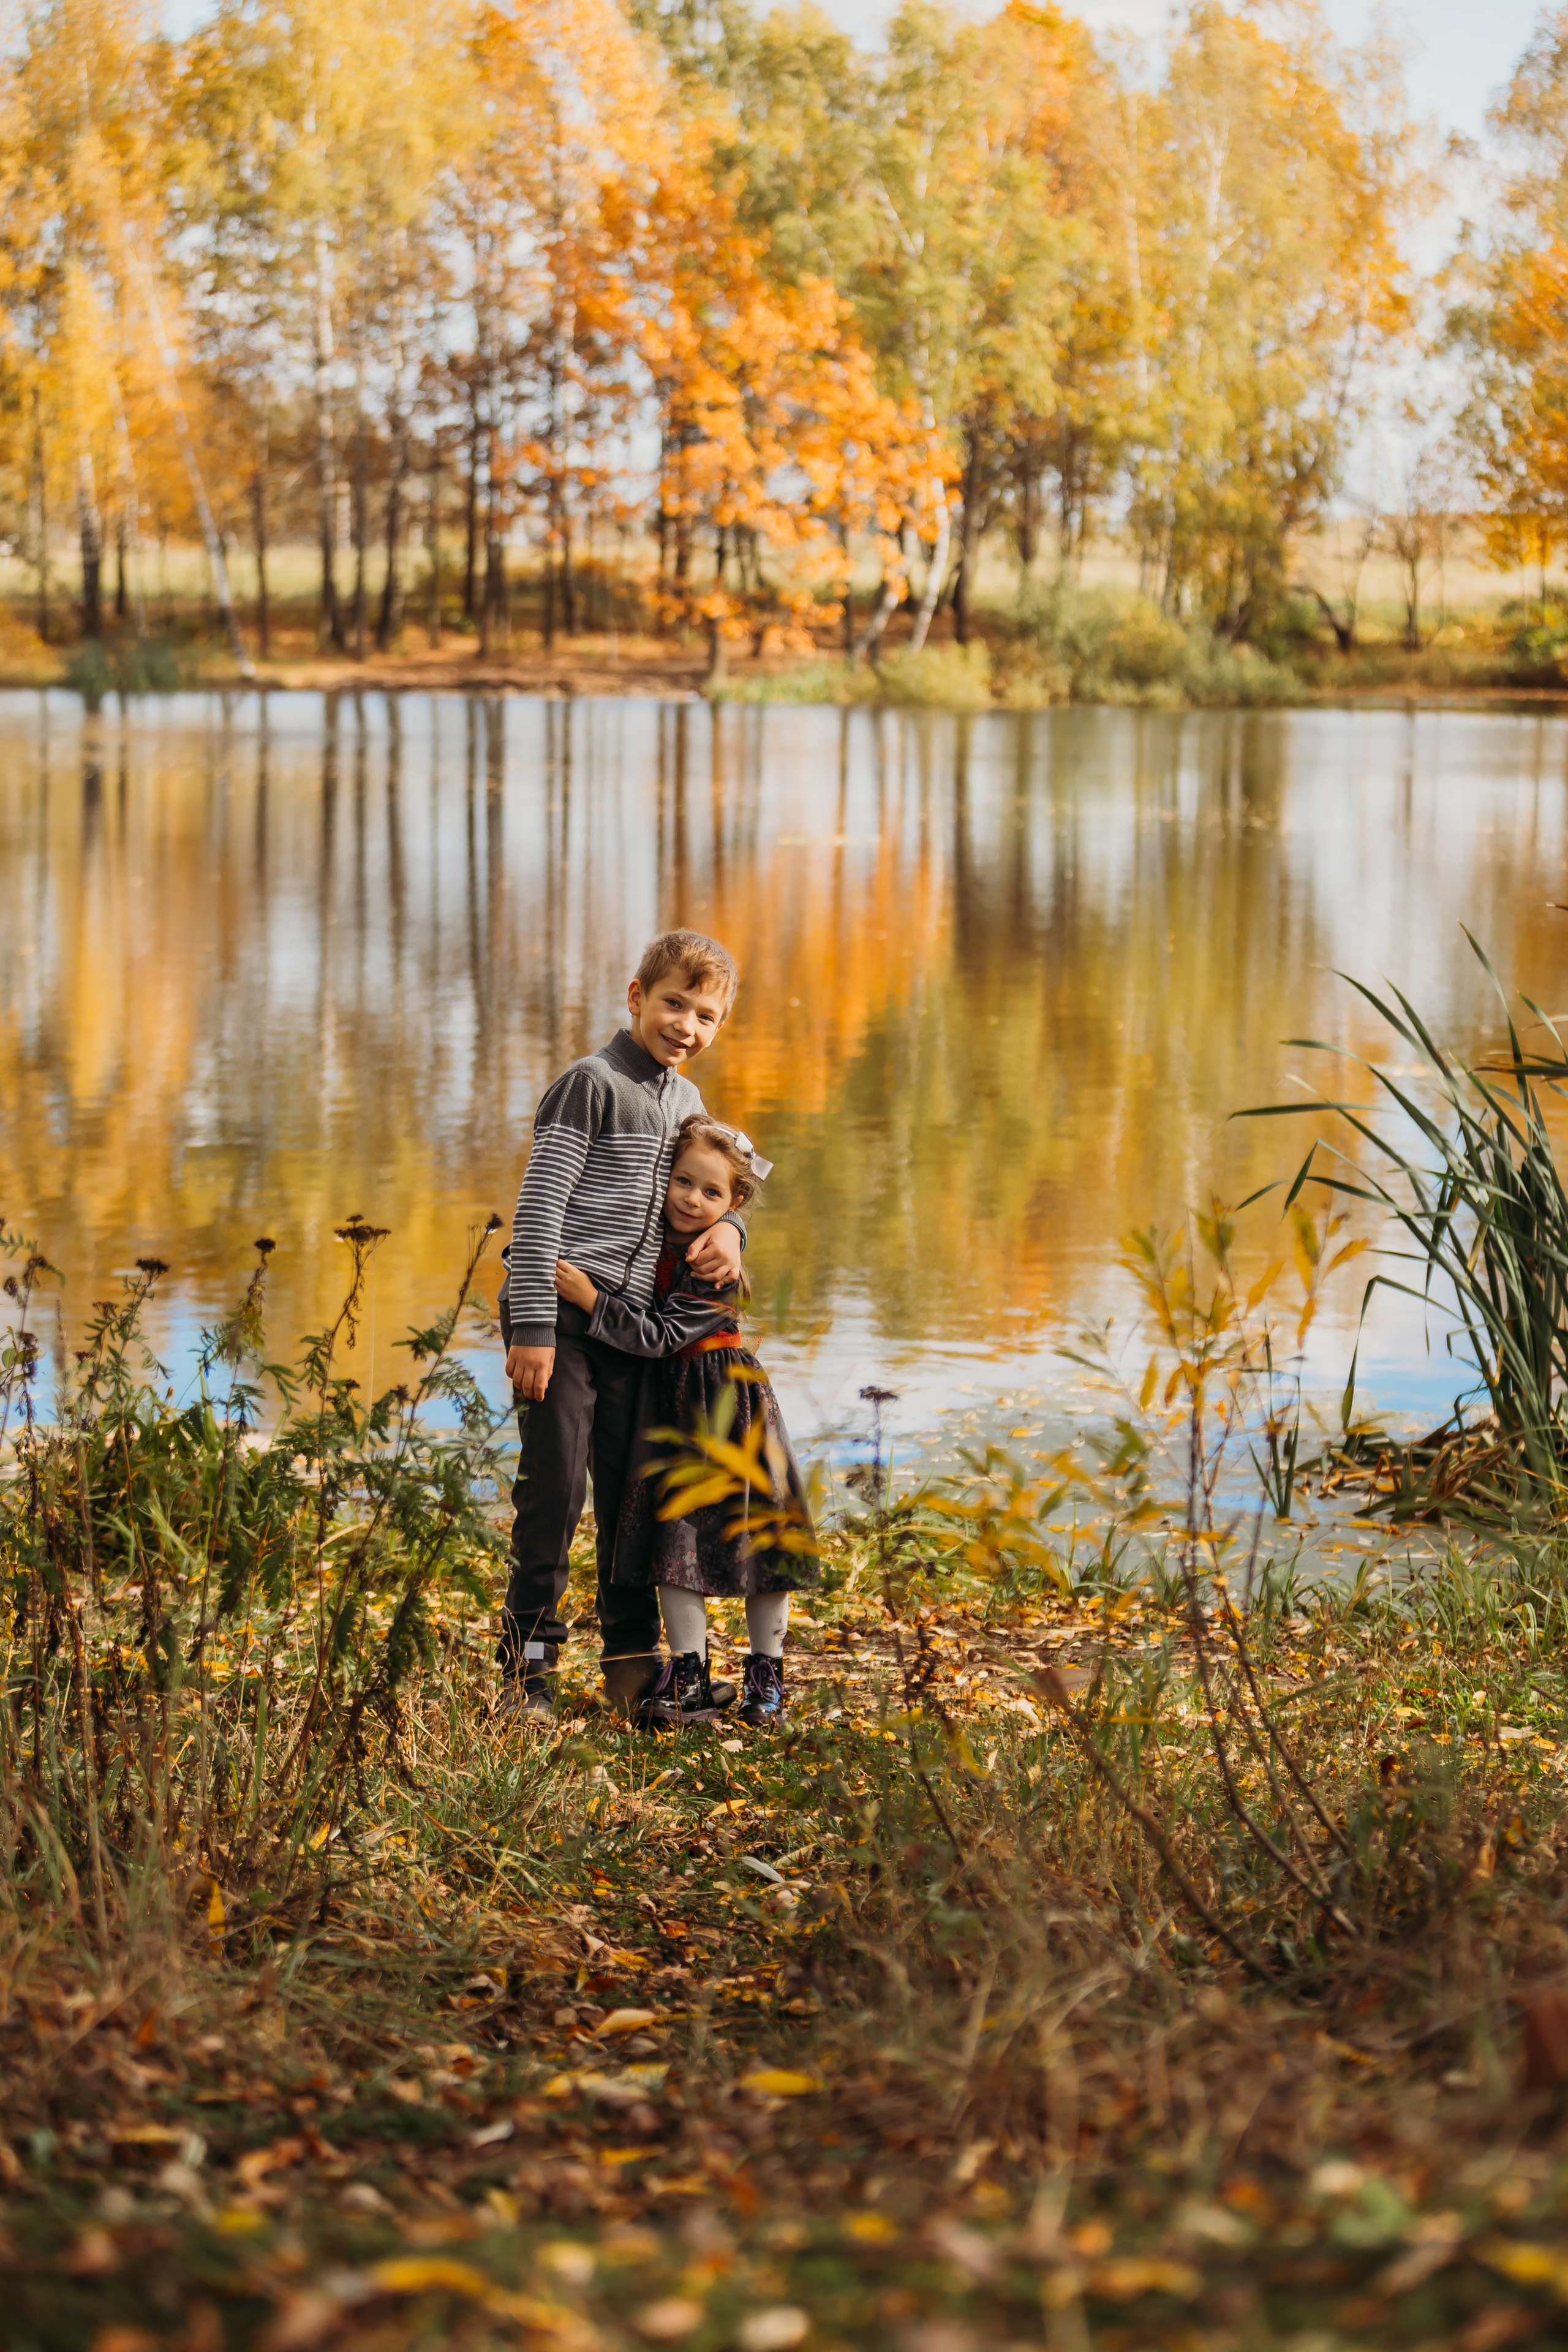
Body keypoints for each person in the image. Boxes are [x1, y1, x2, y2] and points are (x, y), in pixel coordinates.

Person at [498, 930, 747, 1723]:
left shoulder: (688, 1105)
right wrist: (534, 1324)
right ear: (637, 996)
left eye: (705, 1015)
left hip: (632, 1328)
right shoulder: (591, 1084)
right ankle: (526, 1671)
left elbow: (732, 1183)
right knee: (556, 1491)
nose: (686, 1026)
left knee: (632, 1498)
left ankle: (632, 1671)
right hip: (564, 1317)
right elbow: (538, 1211)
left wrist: (734, 1234)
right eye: (674, 1003)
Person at [554, 1113, 816, 1729]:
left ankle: (766, 1676)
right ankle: (690, 1673)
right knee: (675, 1540)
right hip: (671, 1404)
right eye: (683, 1182)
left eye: (712, 1194)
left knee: (757, 1535)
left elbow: (659, 1335)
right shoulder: (653, 1237)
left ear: (735, 1202)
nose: (692, 1199)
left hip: (724, 1402)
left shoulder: (711, 1265)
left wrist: (590, 1300)